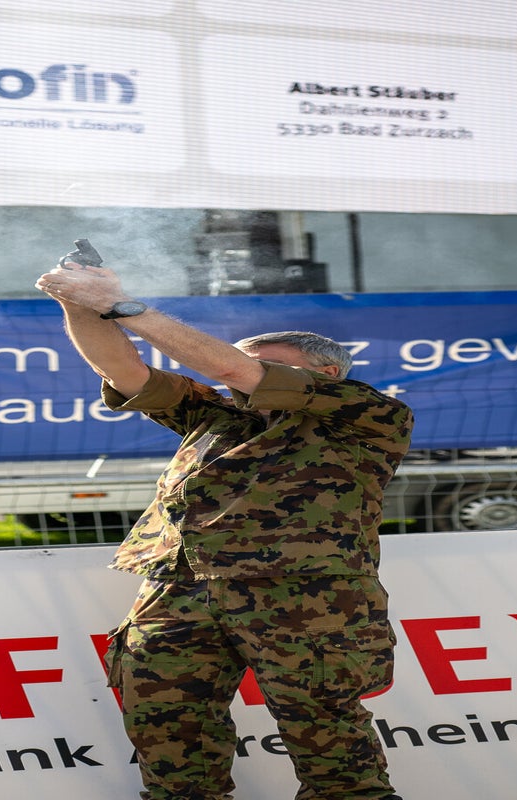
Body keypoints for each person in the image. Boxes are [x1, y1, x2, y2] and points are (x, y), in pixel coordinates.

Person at [36, 260, 414, 800]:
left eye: (264, 366)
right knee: (164, 724)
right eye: (243, 362)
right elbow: (123, 370)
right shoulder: (217, 414)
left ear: (326, 373)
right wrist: (78, 301)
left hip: (302, 594)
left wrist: (121, 305)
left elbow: (235, 371)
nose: (235, 375)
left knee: (325, 733)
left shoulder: (364, 413)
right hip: (180, 584)